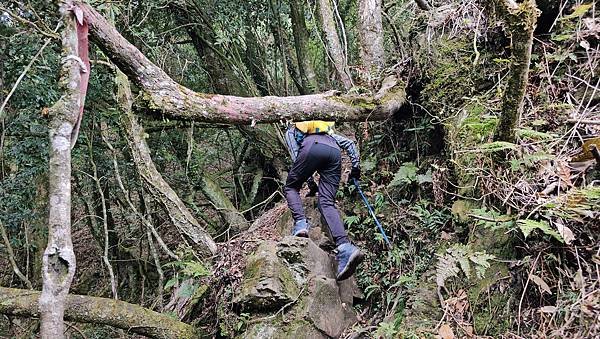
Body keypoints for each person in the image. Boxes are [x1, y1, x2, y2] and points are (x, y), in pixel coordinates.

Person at [283, 120, 363, 281]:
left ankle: (300, 225)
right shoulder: (326, 131)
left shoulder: (292, 130)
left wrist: (311, 184)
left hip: (312, 148)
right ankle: (345, 246)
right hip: (334, 152)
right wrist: (355, 169)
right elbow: (348, 144)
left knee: (290, 187)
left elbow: (296, 155)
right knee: (326, 202)